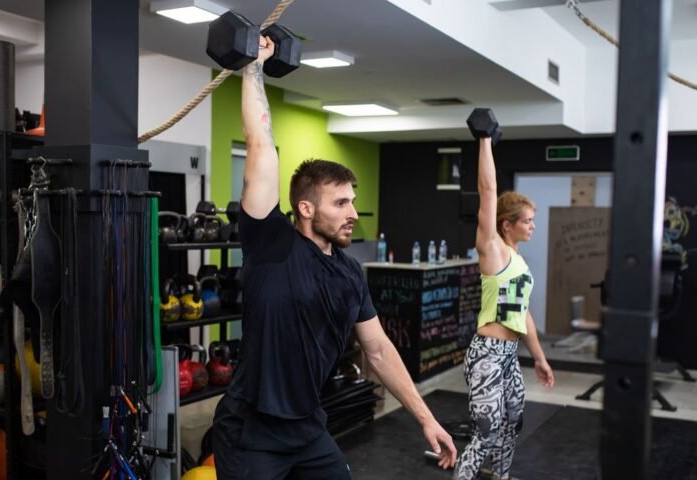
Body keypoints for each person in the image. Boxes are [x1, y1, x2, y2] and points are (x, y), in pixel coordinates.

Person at [211, 34, 458, 480]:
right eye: (340, 203)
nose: (352, 212)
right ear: (306, 208)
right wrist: (253, 67)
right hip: (252, 432)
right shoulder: (271, 244)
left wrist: (425, 417)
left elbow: (379, 349)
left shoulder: (349, 272)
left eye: (352, 200)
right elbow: (261, 145)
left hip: (308, 428)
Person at [453, 137, 554, 480]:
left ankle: (501, 476)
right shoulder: (493, 249)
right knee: (486, 433)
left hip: (510, 354)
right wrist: (485, 141)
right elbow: (487, 189)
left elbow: (522, 314)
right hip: (487, 356)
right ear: (507, 223)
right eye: (527, 220)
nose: (533, 226)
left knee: (513, 423)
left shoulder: (520, 264)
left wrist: (538, 357)